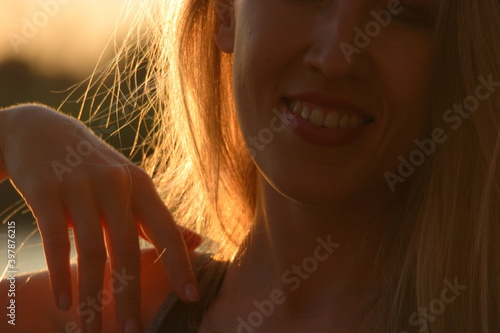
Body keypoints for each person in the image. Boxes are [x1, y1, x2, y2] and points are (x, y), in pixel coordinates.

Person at [0, 0, 499, 332]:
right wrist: (11, 134)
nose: (339, 56)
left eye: (403, 8)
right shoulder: (108, 312)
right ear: (224, 15)